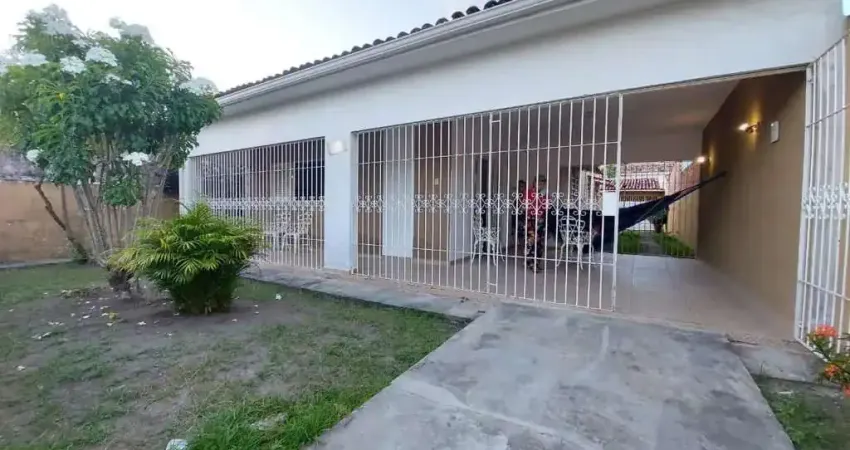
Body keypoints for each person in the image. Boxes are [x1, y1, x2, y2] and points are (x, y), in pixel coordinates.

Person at [524, 176, 549, 272]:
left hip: (541, 220)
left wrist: (543, 197)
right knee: (531, 241)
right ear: (534, 183)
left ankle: (536, 262)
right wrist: (537, 197)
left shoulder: (545, 194)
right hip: (530, 220)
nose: (540, 185)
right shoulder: (528, 192)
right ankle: (530, 263)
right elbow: (526, 205)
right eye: (539, 182)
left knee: (540, 243)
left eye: (543, 183)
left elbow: (547, 206)